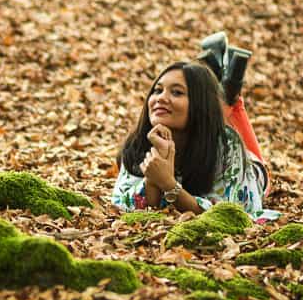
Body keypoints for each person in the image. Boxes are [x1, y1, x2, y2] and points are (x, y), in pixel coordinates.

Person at [111, 61, 280, 222]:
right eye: (157, 90)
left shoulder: (227, 146)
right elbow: (126, 205)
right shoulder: (138, 142)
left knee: (235, 126)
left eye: (176, 92)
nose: (161, 98)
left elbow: (229, 214)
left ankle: (232, 95)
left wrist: (168, 183)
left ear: (199, 104)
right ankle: (217, 80)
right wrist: (152, 179)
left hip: (251, 174)